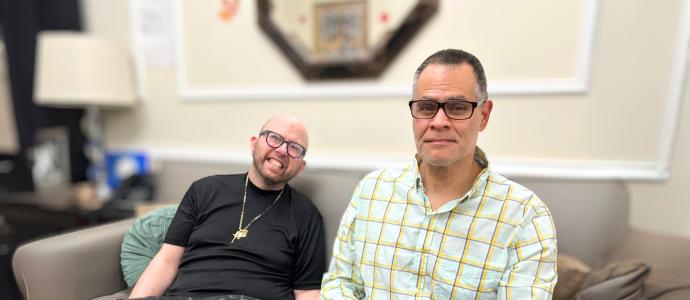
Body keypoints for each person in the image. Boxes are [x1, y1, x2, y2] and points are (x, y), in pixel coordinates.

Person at [320, 49, 557, 299]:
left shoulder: (524, 216)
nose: (439, 121)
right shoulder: (372, 190)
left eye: (456, 107)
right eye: (426, 107)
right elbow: (340, 284)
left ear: (484, 116)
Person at [130, 116, 326, 300]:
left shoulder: (307, 215)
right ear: (254, 143)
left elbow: (306, 290)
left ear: (301, 166)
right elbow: (166, 261)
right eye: (274, 138)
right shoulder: (204, 190)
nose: (282, 150)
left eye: (295, 148)